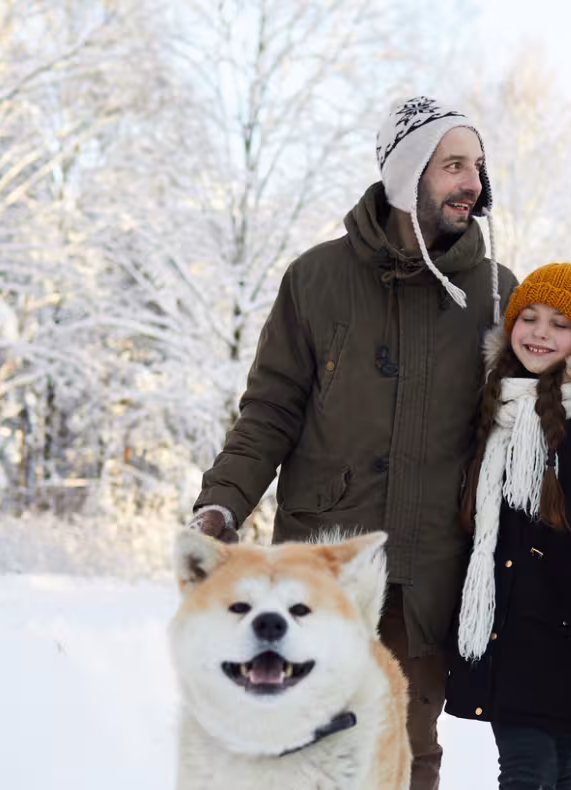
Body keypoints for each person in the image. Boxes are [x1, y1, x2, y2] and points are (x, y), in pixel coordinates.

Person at [188, 96, 517, 790]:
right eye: (453, 165)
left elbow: (522, 432)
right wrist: (223, 501)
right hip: (323, 567)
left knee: (404, 750)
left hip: (427, 577)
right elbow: (270, 410)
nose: (473, 183)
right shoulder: (316, 280)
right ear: (406, 175)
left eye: (477, 166)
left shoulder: (496, 294)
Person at [443, 263, 571, 790]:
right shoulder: (493, 406)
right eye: (528, 318)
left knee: (566, 773)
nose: (540, 333)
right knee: (526, 773)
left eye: (560, 323)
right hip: (513, 629)